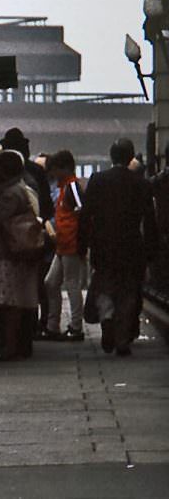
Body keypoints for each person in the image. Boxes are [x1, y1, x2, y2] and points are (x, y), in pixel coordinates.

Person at [79, 138, 160, 356]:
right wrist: (152, 250)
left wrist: (82, 245)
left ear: (111, 156)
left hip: (103, 246)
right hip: (132, 246)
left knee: (105, 287)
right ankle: (122, 338)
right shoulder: (141, 184)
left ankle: (107, 319)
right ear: (131, 156)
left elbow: (86, 216)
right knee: (128, 292)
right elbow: (149, 220)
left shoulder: (98, 180)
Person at [0, 150, 42, 361]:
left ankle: (8, 346)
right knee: (14, 303)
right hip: (17, 252)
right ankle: (14, 345)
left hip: (5, 253)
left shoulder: (8, 193)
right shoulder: (24, 188)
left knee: (3, 304)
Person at [44, 150, 86, 341]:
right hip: (63, 244)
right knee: (51, 283)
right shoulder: (64, 188)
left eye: (55, 169)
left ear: (64, 168)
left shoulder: (72, 187)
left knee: (71, 284)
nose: (53, 173)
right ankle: (53, 325)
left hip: (70, 243)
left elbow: (81, 210)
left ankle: (76, 326)